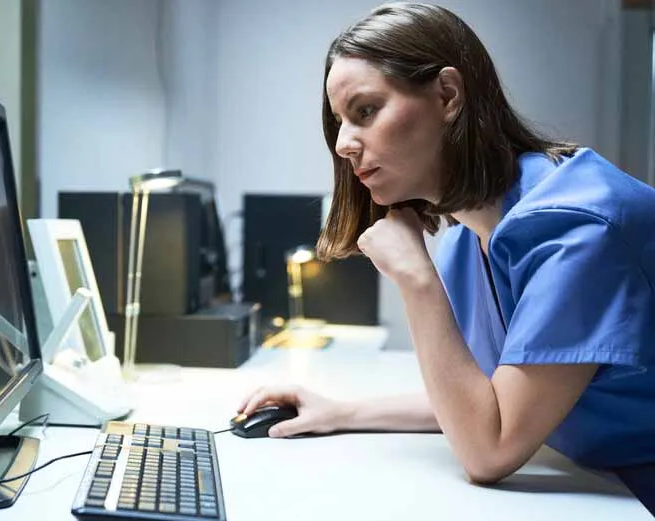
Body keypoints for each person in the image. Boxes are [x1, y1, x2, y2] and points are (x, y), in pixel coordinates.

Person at [238, 2, 655, 486]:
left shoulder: (575, 230)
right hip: (604, 482)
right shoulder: (465, 241)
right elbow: (484, 402)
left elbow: (489, 450)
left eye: (365, 111)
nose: (343, 144)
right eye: (340, 121)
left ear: (448, 95)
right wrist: (341, 412)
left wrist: (416, 279)